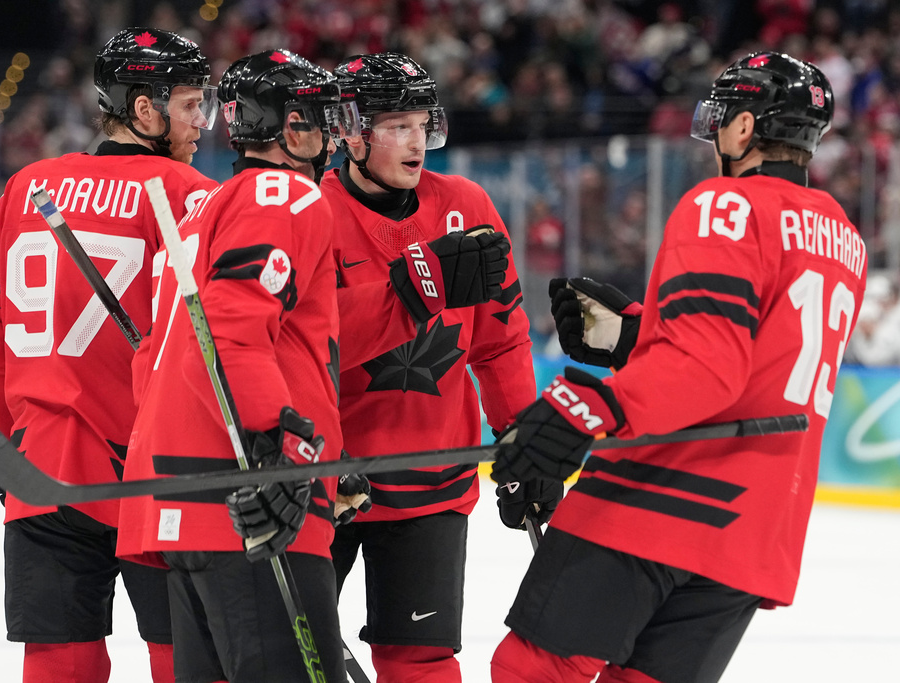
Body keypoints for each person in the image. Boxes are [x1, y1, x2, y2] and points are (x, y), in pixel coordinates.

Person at [490, 51, 867, 683]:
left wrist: (591, 407)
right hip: (755, 530)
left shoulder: (726, 204)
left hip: (662, 498)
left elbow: (706, 366)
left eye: (723, 118)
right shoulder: (843, 238)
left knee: (531, 672)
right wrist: (637, 338)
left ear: (744, 128)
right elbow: (757, 362)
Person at [0, 27, 220, 683]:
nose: (202, 121)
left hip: (43, 470)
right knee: (188, 660)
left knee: (59, 663)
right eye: (191, 105)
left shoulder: (28, 187)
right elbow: (212, 353)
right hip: (158, 475)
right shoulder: (189, 194)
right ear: (143, 108)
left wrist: (19, 446)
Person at [115, 49, 362, 683]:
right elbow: (229, 331)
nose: (332, 134)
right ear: (287, 128)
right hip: (252, 505)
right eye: (318, 119)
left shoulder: (206, 209)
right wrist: (282, 445)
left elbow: (154, 359)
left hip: (185, 503)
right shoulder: (287, 195)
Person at [321, 52, 544, 681]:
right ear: (351, 132)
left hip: (433, 479)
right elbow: (300, 346)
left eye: (423, 124)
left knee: (420, 662)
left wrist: (523, 438)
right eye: (398, 126)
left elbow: (500, 341)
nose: (417, 142)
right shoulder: (311, 211)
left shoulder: (466, 205)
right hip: (327, 480)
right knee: (286, 660)